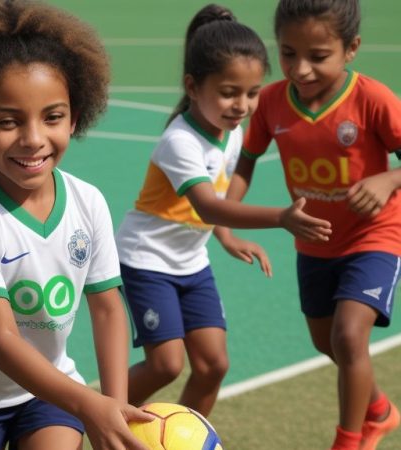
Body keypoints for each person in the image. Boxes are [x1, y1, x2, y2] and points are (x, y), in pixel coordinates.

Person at [0, 1, 156, 449]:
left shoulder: (88, 201)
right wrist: (89, 405)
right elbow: (2, 340)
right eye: (8, 121)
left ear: (75, 116)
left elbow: (106, 308)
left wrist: (114, 406)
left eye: (52, 117)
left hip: (50, 390)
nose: (33, 138)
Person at [115, 4, 332, 418]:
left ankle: (183, 441)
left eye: (252, 94)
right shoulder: (180, 141)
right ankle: (91, 412)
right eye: (229, 92)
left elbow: (217, 200)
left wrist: (227, 236)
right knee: (166, 364)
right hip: (145, 259)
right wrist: (280, 218)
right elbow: (208, 203)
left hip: (191, 263)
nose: (242, 105)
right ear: (193, 87)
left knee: (214, 365)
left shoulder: (230, 133)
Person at [233, 0, 401, 448]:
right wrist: (222, 218)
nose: (300, 69)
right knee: (328, 342)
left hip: (375, 236)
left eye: (318, 56)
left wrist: (388, 178)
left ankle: (349, 439)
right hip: (314, 244)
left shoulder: (372, 99)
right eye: (289, 53)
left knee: (349, 336)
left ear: (351, 49)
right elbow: (244, 163)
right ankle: (380, 410)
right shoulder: (271, 102)